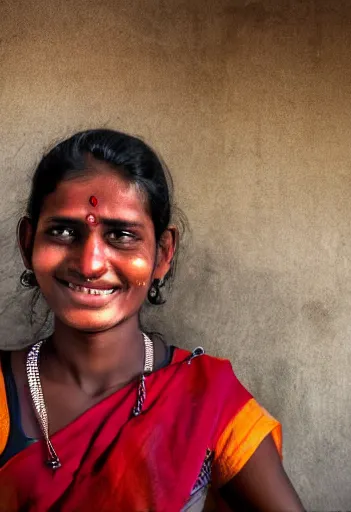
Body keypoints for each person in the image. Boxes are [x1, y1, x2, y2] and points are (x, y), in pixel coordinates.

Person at [0, 129, 304, 511]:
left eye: (121, 235)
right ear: (28, 243)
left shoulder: (208, 400)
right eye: (63, 231)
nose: (90, 264)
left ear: (162, 253)